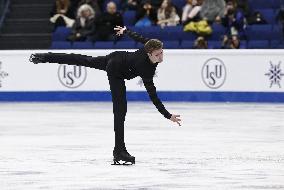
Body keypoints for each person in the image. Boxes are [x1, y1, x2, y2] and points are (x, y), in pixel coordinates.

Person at [29, 26, 182, 165]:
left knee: (83, 59)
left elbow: (139, 38)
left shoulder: (149, 46)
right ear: (149, 53)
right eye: (157, 55)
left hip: (115, 56)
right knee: (120, 111)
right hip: (116, 70)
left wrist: (126, 30)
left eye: (162, 52)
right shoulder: (146, 69)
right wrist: (167, 115)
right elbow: (153, 95)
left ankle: (44, 57)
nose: (161, 57)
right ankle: (119, 152)